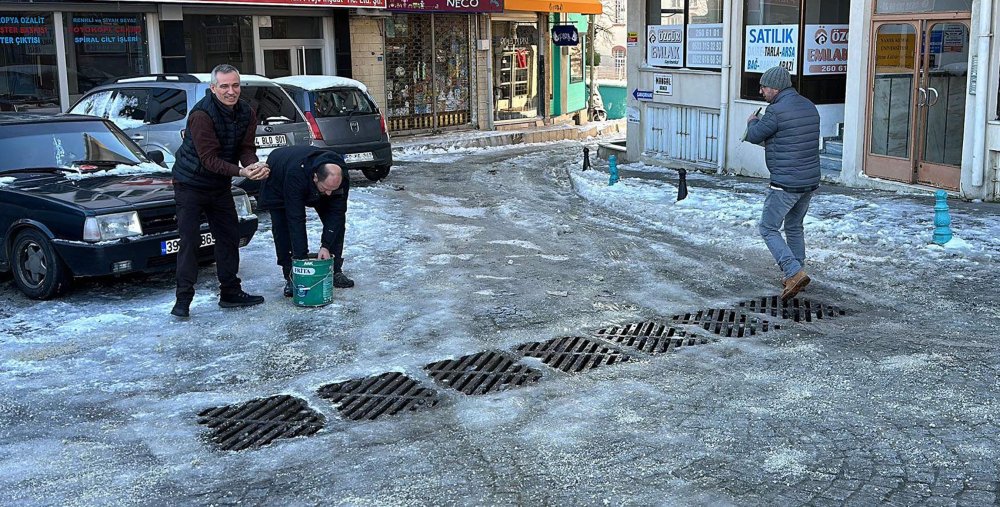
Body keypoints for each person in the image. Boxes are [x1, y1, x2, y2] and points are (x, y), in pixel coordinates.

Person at [170, 64, 270, 318]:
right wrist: (242, 173)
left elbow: (246, 148)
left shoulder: (247, 112)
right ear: (213, 88)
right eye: (224, 86)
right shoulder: (202, 115)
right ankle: (183, 301)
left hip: (219, 185)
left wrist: (253, 165)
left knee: (228, 237)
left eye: (235, 85)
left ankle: (230, 293)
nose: (230, 91)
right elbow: (208, 159)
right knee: (190, 241)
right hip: (190, 183)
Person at [743, 66, 821, 301]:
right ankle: (797, 273)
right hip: (809, 181)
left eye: (764, 87)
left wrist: (752, 121)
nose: (761, 91)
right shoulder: (809, 105)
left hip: (785, 182)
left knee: (768, 227)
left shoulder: (775, 112)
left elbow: (754, 136)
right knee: (795, 226)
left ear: (775, 88)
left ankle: (793, 271)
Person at [258, 145, 355, 297]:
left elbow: (337, 214)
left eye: (333, 189)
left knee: (337, 223)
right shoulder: (296, 174)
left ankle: (334, 269)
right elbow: (295, 219)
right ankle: (291, 275)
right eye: (326, 189)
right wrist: (301, 261)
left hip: (310, 179)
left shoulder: (339, 177)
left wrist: (326, 246)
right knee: (283, 228)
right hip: (279, 176)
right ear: (315, 177)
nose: (329, 194)